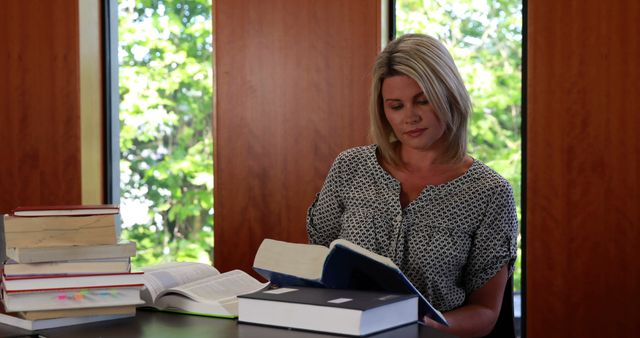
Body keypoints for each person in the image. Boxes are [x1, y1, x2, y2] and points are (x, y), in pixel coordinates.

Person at [306, 34, 518, 338]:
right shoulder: (350, 167)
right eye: (396, 106)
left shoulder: (489, 192)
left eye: (423, 100)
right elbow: (318, 261)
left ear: (449, 96)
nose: (410, 117)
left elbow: (485, 312)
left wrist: (428, 327)